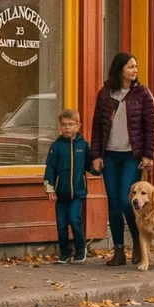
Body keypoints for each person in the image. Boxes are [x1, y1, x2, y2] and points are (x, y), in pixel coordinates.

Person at [90, 52, 154, 267]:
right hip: (110, 154)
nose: (135, 70)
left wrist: (148, 155)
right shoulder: (105, 94)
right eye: (131, 67)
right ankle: (118, 250)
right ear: (120, 69)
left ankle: (138, 243)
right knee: (113, 203)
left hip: (131, 155)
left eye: (136, 67)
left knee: (126, 200)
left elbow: (151, 127)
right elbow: (97, 127)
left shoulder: (143, 94)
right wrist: (96, 155)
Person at [43, 108, 91, 263]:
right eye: (64, 125)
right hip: (61, 193)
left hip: (78, 192)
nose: (67, 128)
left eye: (71, 124)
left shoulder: (83, 146)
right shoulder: (56, 146)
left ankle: (81, 249)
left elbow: (90, 165)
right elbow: (50, 168)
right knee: (62, 223)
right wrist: (49, 188)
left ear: (78, 126)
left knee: (74, 219)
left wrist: (98, 167)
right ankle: (65, 252)